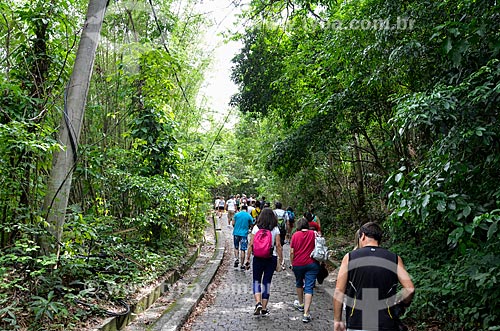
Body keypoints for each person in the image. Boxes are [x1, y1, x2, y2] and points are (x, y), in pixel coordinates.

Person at [333, 222, 415, 331]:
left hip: (357, 322)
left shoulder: (350, 257)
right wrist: (401, 304)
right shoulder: (394, 259)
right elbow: (410, 289)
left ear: (362, 236)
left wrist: (337, 320)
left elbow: (339, 291)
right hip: (386, 323)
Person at [245, 207, 284, 317]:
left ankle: (258, 303)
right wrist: (281, 260)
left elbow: (251, 244)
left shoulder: (256, 228)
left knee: (256, 280)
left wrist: (247, 259)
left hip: (257, 257)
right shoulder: (275, 229)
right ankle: (265, 307)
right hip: (271, 258)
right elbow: (278, 246)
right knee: (267, 282)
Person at [290, 217, 320, 323]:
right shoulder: (314, 233)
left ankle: (301, 304)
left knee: (299, 283)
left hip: (298, 264)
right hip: (312, 264)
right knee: (309, 287)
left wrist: (292, 263)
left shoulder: (295, 235)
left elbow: (292, 252)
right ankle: (306, 313)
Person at [232, 205, 254, 270]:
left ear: (241, 209)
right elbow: (252, 224)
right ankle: (242, 265)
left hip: (236, 233)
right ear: (246, 209)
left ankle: (236, 259)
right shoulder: (248, 216)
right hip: (244, 234)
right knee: (243, 249)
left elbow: (233, 223)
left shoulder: (236, 214)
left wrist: (236, 227)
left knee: (236, 247)